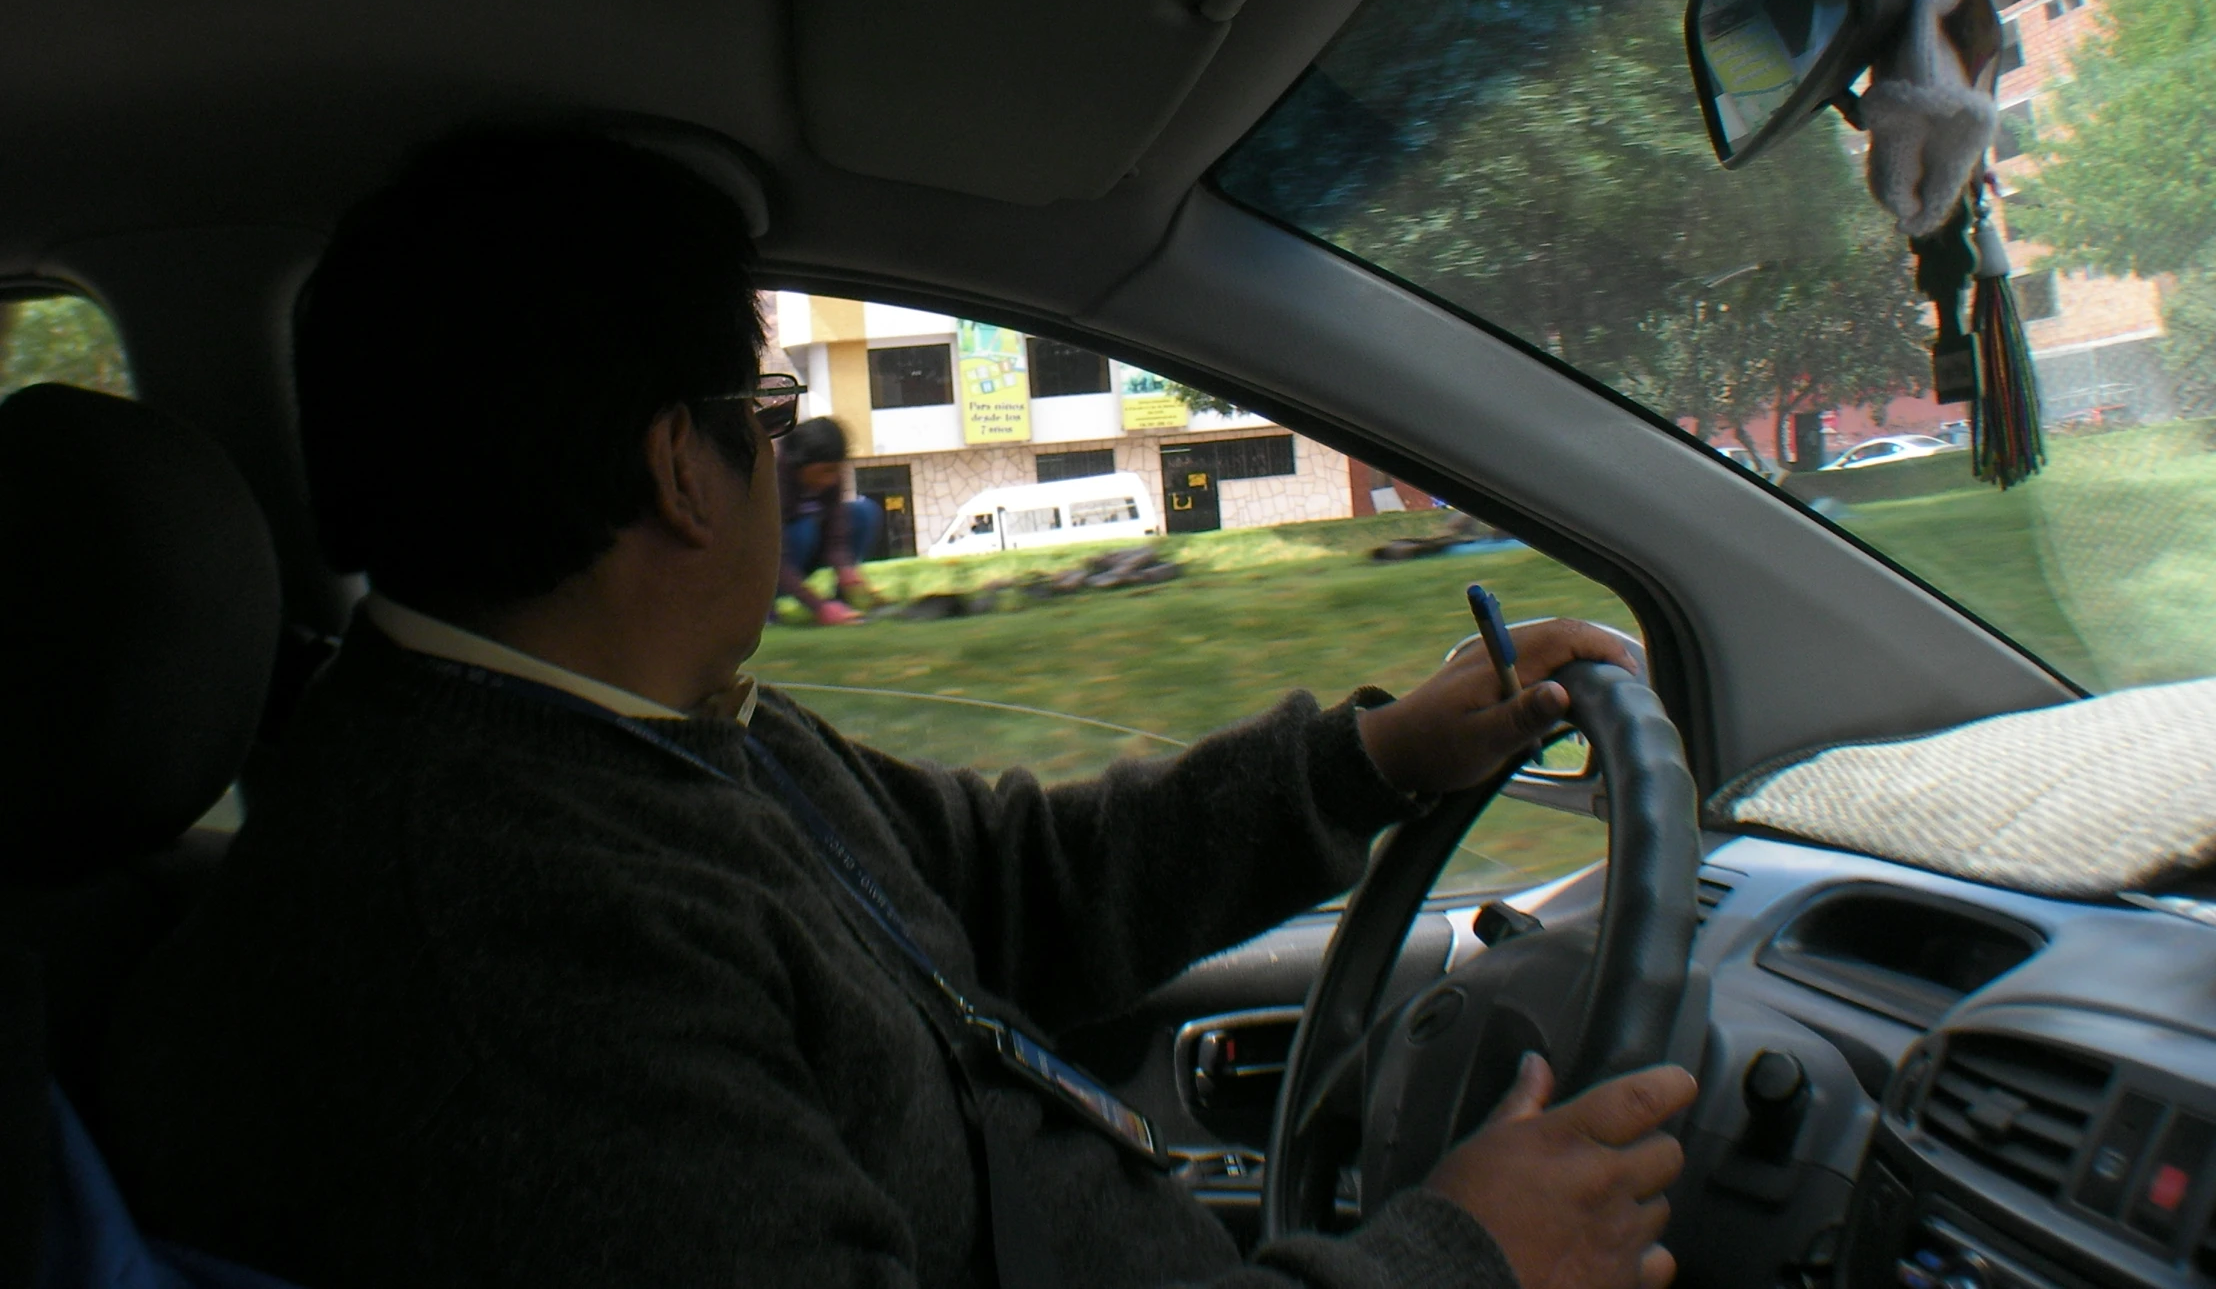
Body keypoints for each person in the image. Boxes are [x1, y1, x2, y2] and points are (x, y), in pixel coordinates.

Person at [101, 128, 1695, 1289]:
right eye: (769, 411)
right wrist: (1464, 1261)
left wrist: (1368, 758)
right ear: (678, 467)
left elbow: (1002, 884)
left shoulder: (643, 728)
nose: (791, 457)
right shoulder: (494, 942)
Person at [778, 415, 881, 624]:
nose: (831, 479)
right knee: (804, 529)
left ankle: (842, 602)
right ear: (799, 464)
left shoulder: (833, 479)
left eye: (836, 470)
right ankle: (766, 609)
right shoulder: (773, 480)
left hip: (805, 555)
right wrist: (817, 606)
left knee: (864, 512)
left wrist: (845, 568)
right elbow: (772, 556)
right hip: (770, 567)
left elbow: (837, 531)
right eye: (825, 471)